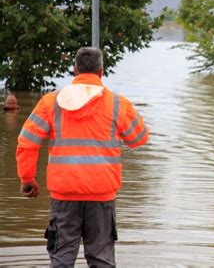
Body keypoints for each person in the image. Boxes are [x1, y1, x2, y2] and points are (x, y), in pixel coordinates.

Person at [16, 47, 149, 266]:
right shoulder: (117, 103)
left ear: (74, 70)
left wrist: (27, 179)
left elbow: (26, 142)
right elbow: (139, 138)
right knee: (101, 259)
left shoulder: (50, 102)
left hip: (64, 194)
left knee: (61, 258)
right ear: (101, 71)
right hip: (102, 194)